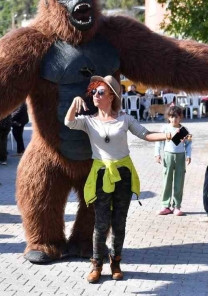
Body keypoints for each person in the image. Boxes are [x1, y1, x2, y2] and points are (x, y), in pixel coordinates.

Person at [64, 75, 171, 284]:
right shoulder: (89, 121)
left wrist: (170, 136)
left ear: (112, 96)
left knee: (119, 223)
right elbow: (69, 122)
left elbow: (146, 134)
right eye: (94, 91)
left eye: (101, 92)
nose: (95, 95)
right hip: (102, 174)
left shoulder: (125, 119)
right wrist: (73, 104)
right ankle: (96, 265)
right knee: (101, 223)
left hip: (123, 173)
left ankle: (116, 262)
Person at [154, 106, 192, 216]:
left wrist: (188, 155)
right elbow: (158, 142)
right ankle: (165, 205)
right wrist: (157, 154)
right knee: (167, 180)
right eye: (171, 116)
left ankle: (177, 206)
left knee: (179, 181)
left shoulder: (184, 130)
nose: (174, 119)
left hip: (180, 157)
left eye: (176, 116)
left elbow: (189, 144)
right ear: (168, 117)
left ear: (180, 117)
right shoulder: (164, 128)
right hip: (168, 156)